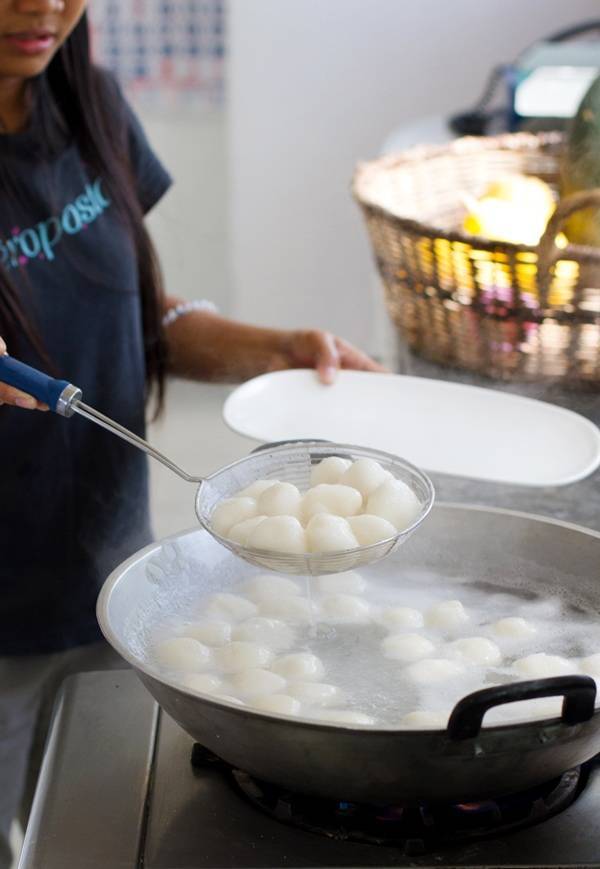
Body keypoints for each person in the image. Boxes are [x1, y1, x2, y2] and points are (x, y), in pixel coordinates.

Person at [0, 2, 384, 865]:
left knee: (83, 820)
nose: (43, 8)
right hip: (3, 606)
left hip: (106, 573)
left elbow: (140, 311)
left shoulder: (87, 101)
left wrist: (277, 351)